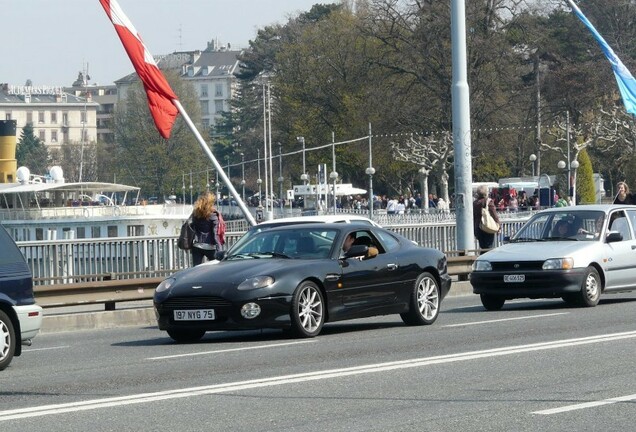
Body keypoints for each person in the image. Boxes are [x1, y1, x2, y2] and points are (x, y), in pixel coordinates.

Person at [190, 192, 221, 266]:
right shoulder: (213, 215)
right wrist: (219, 249)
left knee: (196, 268)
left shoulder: (196, 213)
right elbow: (215, 233)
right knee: (215, 268)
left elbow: (191, 226)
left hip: (197, 244)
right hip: (210, 245)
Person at [473, 185, 500, 251]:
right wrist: (499, 226)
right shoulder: (488, 202)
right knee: (489, 248)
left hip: (479, 228)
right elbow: (494, 215)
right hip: (488, 227)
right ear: (486, 192)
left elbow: (474, 217)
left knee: (483, 248)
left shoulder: (475, 203)